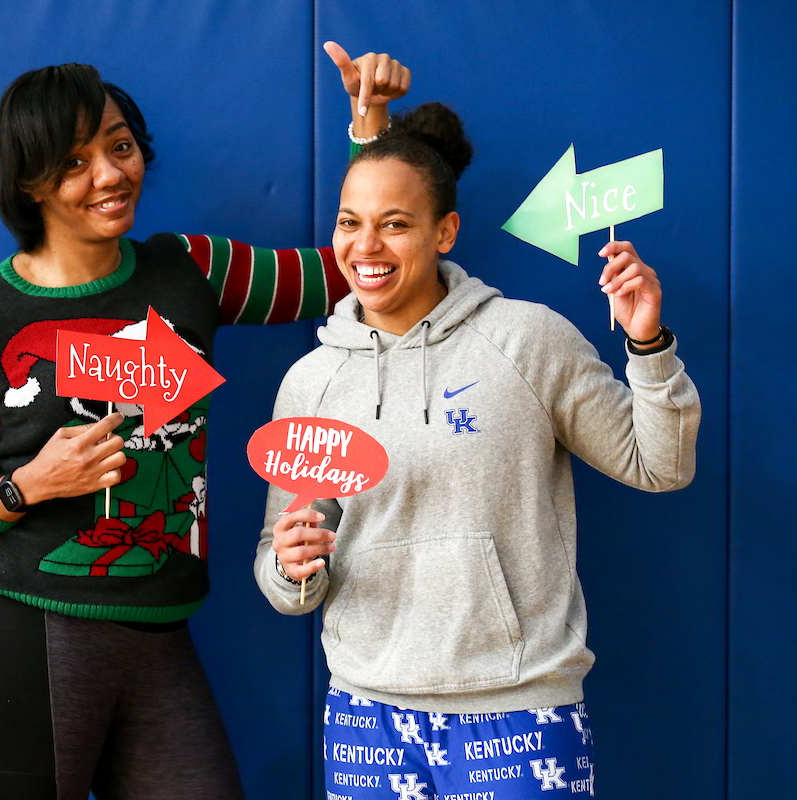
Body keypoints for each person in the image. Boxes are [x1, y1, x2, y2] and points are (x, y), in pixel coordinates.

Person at [0, 46, 409, 800]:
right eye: (75, 161)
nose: (111, 174)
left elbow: (348, 272)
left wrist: (369, 130)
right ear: (28, 182)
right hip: (26, 638)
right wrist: (29, 487)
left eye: (119, 145)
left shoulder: (187, 272)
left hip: (159, 635)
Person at [255, 103, 701, 799]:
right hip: (364, 715)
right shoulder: (311, 381)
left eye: (395, 223)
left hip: (519, 708)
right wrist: (289, 568)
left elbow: (660, 466)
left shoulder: (528, 340)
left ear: (445, 231)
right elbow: (287, 575)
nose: (366, 246)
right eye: (350, 221)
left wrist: (647, 345)